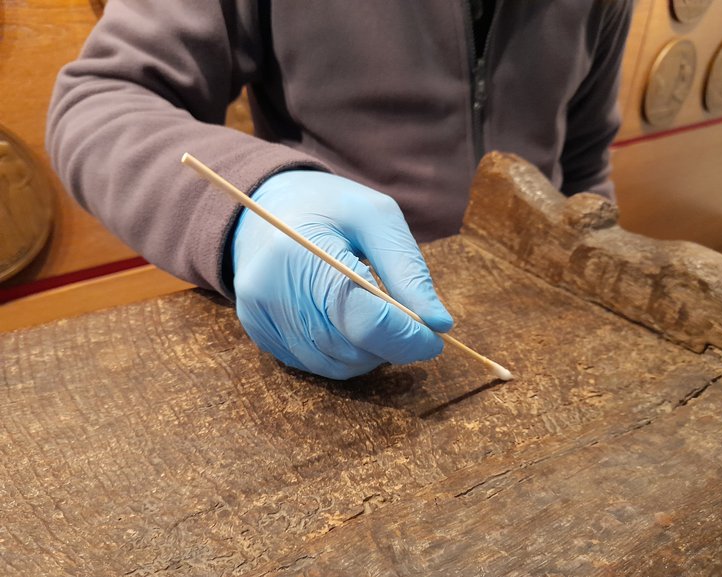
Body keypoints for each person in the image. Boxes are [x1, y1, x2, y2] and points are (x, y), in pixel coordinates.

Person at [46, 0, 633, 379]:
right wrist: (254, 204)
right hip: (339, 321)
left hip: (545, 322)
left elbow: (583, 162)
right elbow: (99, 101)